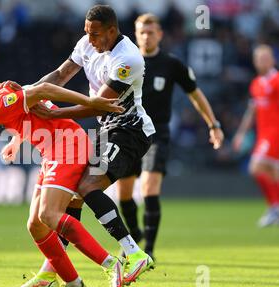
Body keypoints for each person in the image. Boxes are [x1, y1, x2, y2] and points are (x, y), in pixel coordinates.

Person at [11, 5, 156, 287]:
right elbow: (61, 74)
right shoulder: (87, 42)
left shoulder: (128, 59)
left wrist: (54, 114)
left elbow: (97, 103)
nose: (90, 40)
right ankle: (51, 272)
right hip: (107, 130)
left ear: (112, 31)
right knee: (72, 197)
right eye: (87, 33)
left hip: (130, 131)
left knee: (88, 186)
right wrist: (27, 94)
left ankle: (134, 253)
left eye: (96, 34)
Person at [0, 76, 128, 287]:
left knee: (49, 214)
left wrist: (92, 103)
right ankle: (71, 282)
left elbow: (44, 90)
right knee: (36, 225)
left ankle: (111, 264)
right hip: (52, 152)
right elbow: (27, 107)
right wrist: (17, 140)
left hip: (68, 146)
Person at [113, 13, 225, 260]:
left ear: (160, 35)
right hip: (128, 134)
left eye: (151, 32)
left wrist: (213, 124)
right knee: (124, 193)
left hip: (157, 135)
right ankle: (134, 238)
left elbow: (195, 95)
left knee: (150, 187)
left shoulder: (172, 64)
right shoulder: (125, 63)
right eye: (142, 31)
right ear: (136, 34)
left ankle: (149, 250)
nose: (146, 36)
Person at [233, 44, 279, 227]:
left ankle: (275, 207)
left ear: (272, 60)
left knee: (255, 167)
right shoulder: (256, 83)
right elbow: (252, 111)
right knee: (272, 173)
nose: (261, 61)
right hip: (263, 134)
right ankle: (275, 207)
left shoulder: (276, 80)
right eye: (259, 58)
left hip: (275, 132)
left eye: (265, 58)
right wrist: (241, 134)